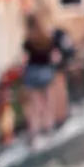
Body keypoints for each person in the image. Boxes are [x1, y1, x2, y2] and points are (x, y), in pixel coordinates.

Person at [21, 11, 60, 149]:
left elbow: (24, 60)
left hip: (32, 72)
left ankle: (34, 134)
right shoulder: (47, 38)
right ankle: (48, 129)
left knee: (34, 106)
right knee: (48, 103)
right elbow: (55, 56)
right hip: (45, 71)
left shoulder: (28, 41)